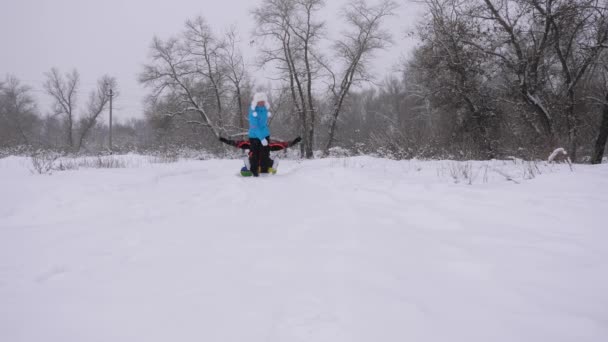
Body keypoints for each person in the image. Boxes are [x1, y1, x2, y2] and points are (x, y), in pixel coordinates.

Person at [248, 93, 272, 177]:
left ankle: (264, 170)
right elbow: (254, 126)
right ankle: (254, 170)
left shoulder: (265, 109)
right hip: (254, 136)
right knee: (255, 154)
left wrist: (265, 136)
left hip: (265, 134)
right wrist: (261, 138)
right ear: (256, 102)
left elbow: (263, 124)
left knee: (265, 153)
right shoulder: (253, 111)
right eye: (259, 101)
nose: (261, 103)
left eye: (262, 101)